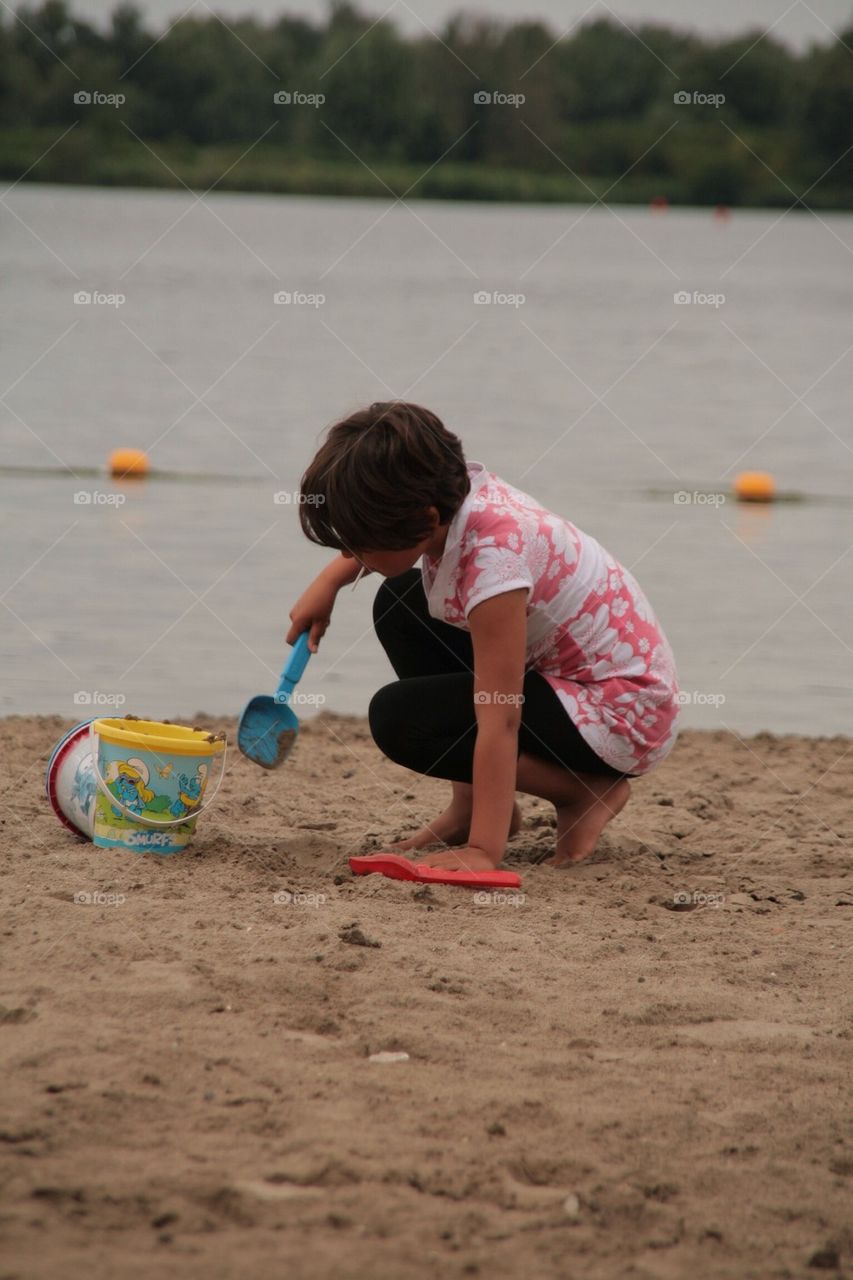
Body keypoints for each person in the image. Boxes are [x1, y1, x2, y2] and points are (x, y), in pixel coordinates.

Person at [287, 401, 679, 870]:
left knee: (400, 719)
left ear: (425, 520)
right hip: (570, 678)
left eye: (357, 541)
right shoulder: (456, 495)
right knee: (401, 602)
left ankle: (584, 792)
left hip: (621, 711)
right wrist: (329, 582)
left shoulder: (495, 563)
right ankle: (470, 805)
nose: (350, 552)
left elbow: (500, 718)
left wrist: (483, 852)